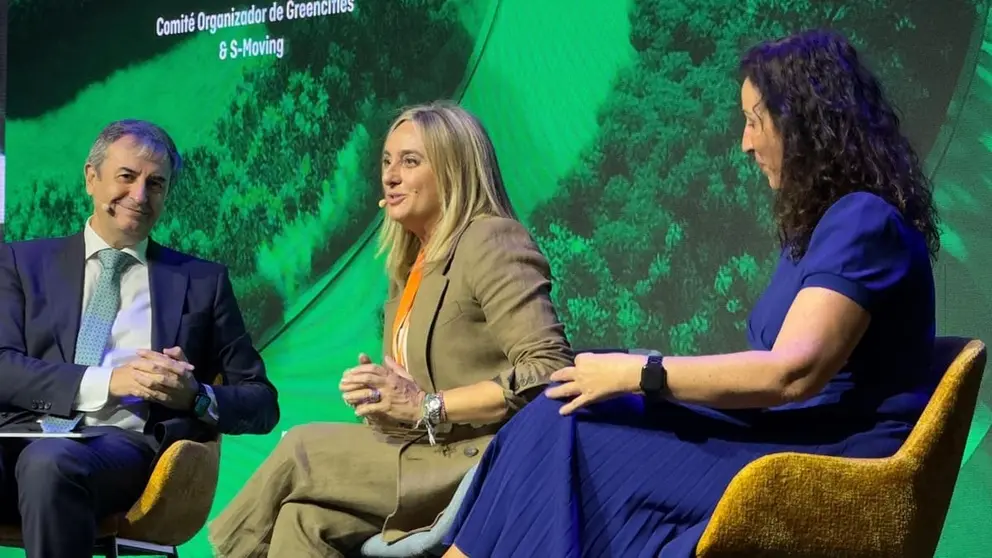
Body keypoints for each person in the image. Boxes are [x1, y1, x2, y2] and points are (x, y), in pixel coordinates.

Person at [442, 28, 942, 558]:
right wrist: (633, 371)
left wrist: (643, 374)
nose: (745, 142)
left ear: (803, 123)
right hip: (777, 436)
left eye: (755, 121)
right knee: (558, 411)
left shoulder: (862, 221)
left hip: (812, 461)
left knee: (568, 426)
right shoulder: (823, 228)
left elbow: (791, 374)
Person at [208, 101, 574, 557]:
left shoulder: (490, 239)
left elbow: (548, 370)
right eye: (386, 162)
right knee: (302, 519)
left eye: (410, 161)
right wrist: (390, 407)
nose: (390, 175)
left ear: (454, 171)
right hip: (424, 458)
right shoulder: (409, 268)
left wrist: (427, 405)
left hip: (485, 461)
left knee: (300, 449)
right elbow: (421, 406)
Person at [0, 119, 280, 557]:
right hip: (19, 436)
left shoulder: (201, 282)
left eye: (156, 184)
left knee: (49, 464)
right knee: (42, 457)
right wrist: (111, 381)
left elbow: (262, 403)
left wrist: (197, 396)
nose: (139, 196)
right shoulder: (20, 262)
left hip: (124, 448)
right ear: (91, 178)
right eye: (127, 177)